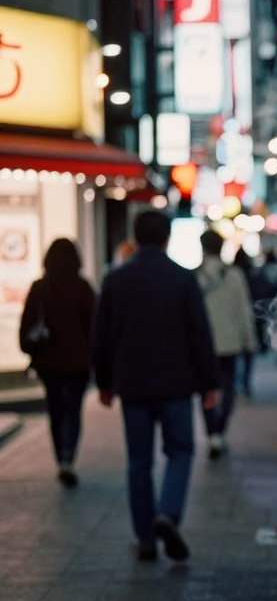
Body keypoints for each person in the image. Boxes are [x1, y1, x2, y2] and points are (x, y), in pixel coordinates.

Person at [93, 210, 220, 562]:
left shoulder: (116, 280)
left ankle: (145, 539)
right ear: (166, 238)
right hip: (177, 383)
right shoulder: (181, 278)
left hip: (132, 384)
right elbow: (200, 334)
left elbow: (102, 337)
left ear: (135, 238)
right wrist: (210, 382)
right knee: (180, 452)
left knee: (138, 462)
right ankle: (168, 513)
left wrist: (103, 382)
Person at [19, 238, 96, 488]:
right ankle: (68, 458)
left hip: (48, 361)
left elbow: (27, 324)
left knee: (56, 410)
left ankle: (60, 455)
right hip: (78, 362)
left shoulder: (41, 287)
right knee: (73, 410)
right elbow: (94, 327)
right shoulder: (83, 287)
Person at [196, 229, 257, 457]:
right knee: (228, 387)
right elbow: (243, 311)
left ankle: (211, 433)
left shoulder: (195, 276)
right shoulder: (234, 276)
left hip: (204, 344)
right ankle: (221, 429)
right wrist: (249, 340)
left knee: (206, 389)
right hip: (230, 342)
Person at [233, 247, 277, 396]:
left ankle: (236, 384)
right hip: (252, 319)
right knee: (247, 356)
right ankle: (245, 383)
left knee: (234, 358)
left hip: (233, 322)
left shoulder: (231, 276)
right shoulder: (254, 275)